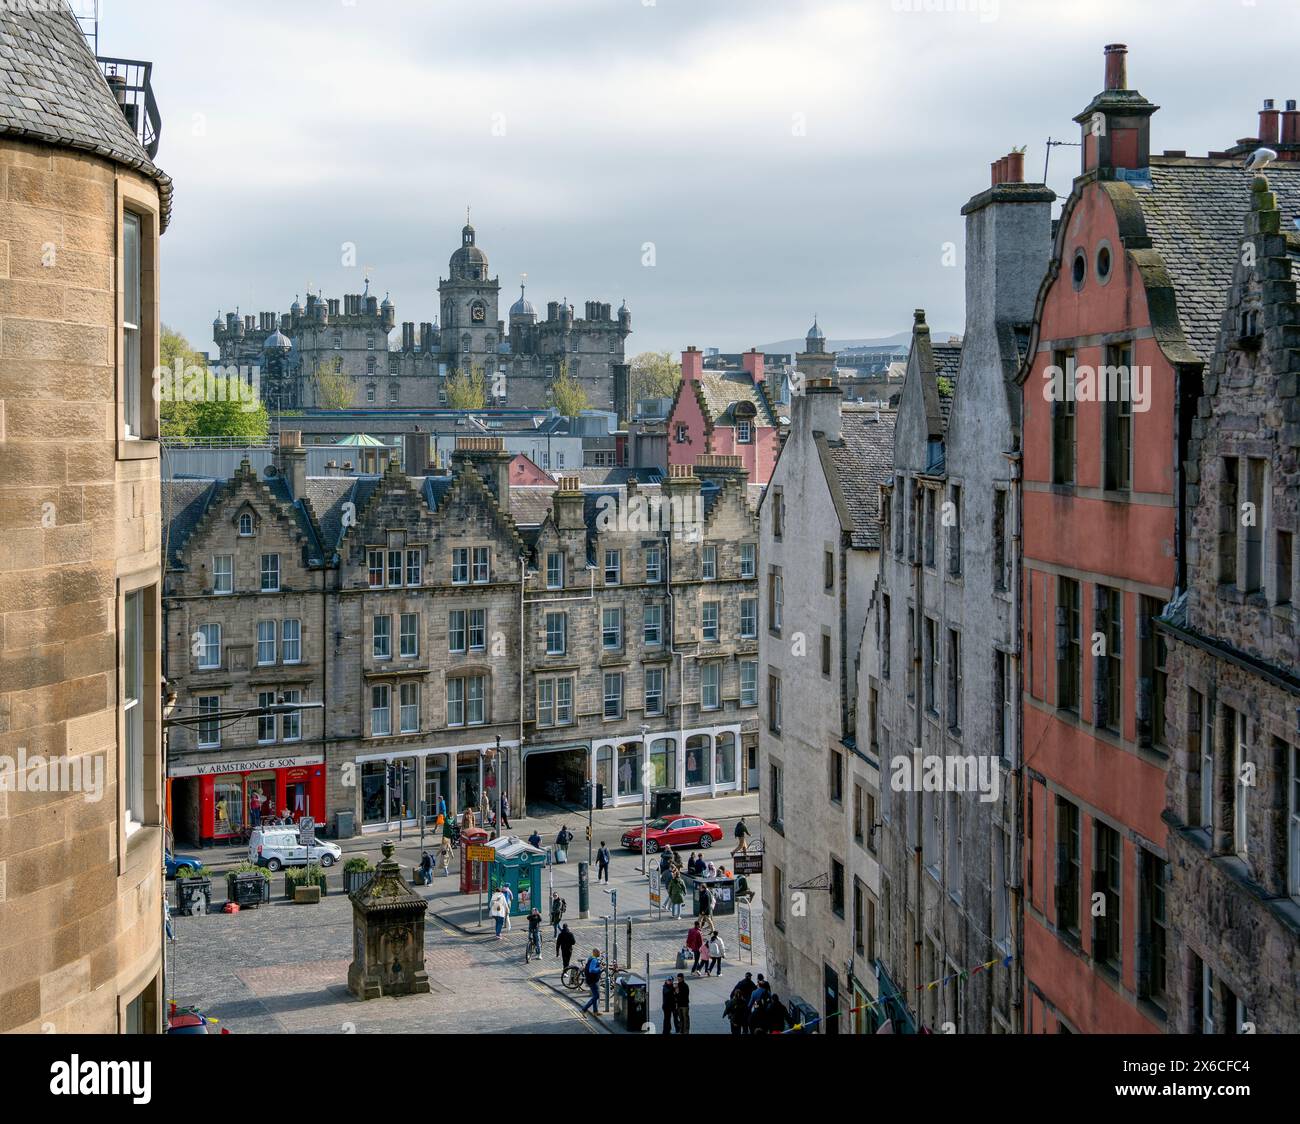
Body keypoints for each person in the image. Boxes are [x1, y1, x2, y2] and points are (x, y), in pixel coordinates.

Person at [580, 949, 603, 1015]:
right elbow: (591, 970)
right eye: (598, 952)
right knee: (596, 996)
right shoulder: (594, 960)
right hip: (593, 980)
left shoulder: (591, 958)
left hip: (591, 980)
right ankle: (584, 1009)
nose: (600, 953)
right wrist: (599, 968)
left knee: (595, 995)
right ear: (595, 952)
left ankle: (595, 1011)